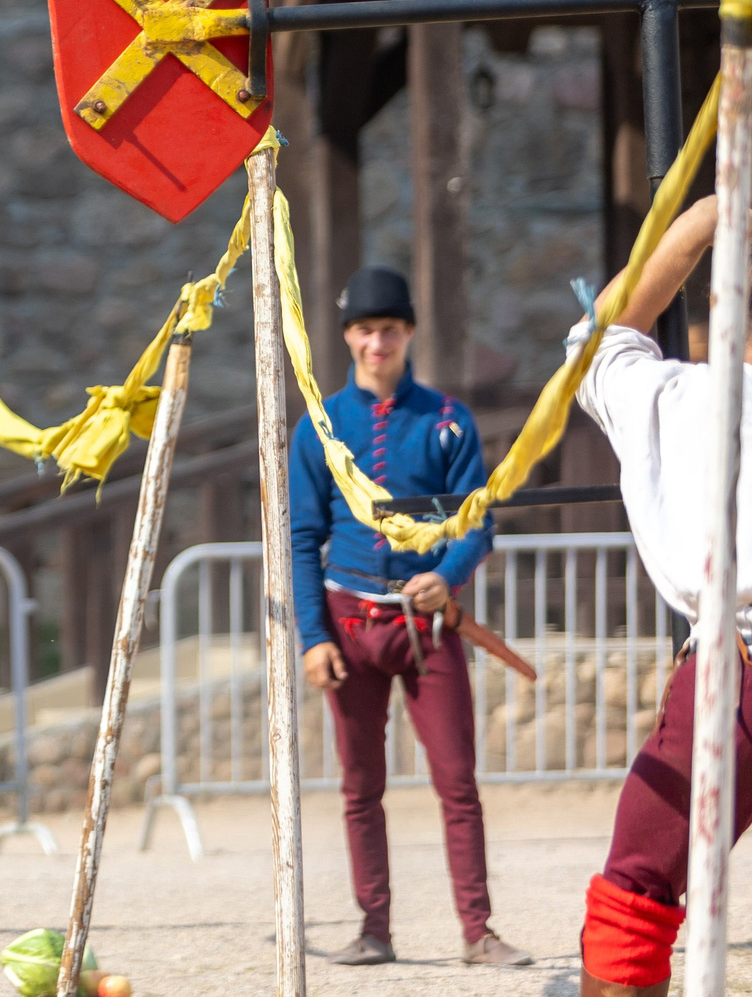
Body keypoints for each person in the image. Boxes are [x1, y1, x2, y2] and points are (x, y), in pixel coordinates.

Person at [290, 265, 529, 969]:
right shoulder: (320, 426)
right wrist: (311, 636)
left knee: (457, 780)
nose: (376, 343)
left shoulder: (449, 420)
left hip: (428, 625)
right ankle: (374, 928)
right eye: (364, 331)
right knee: (360, 785)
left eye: (388, 330)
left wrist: (446, 574)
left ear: (409, 333)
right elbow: (304, 536)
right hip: (349, 622)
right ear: (348, 337)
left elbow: (475, 523)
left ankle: (478, 931)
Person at [568, 193, 752, 997]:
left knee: (633, 897)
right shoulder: (673, 397)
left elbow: (602, 328)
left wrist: (710, 210)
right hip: (726, 671)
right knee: (633, 895)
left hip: (727, 672)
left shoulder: (665, 395)